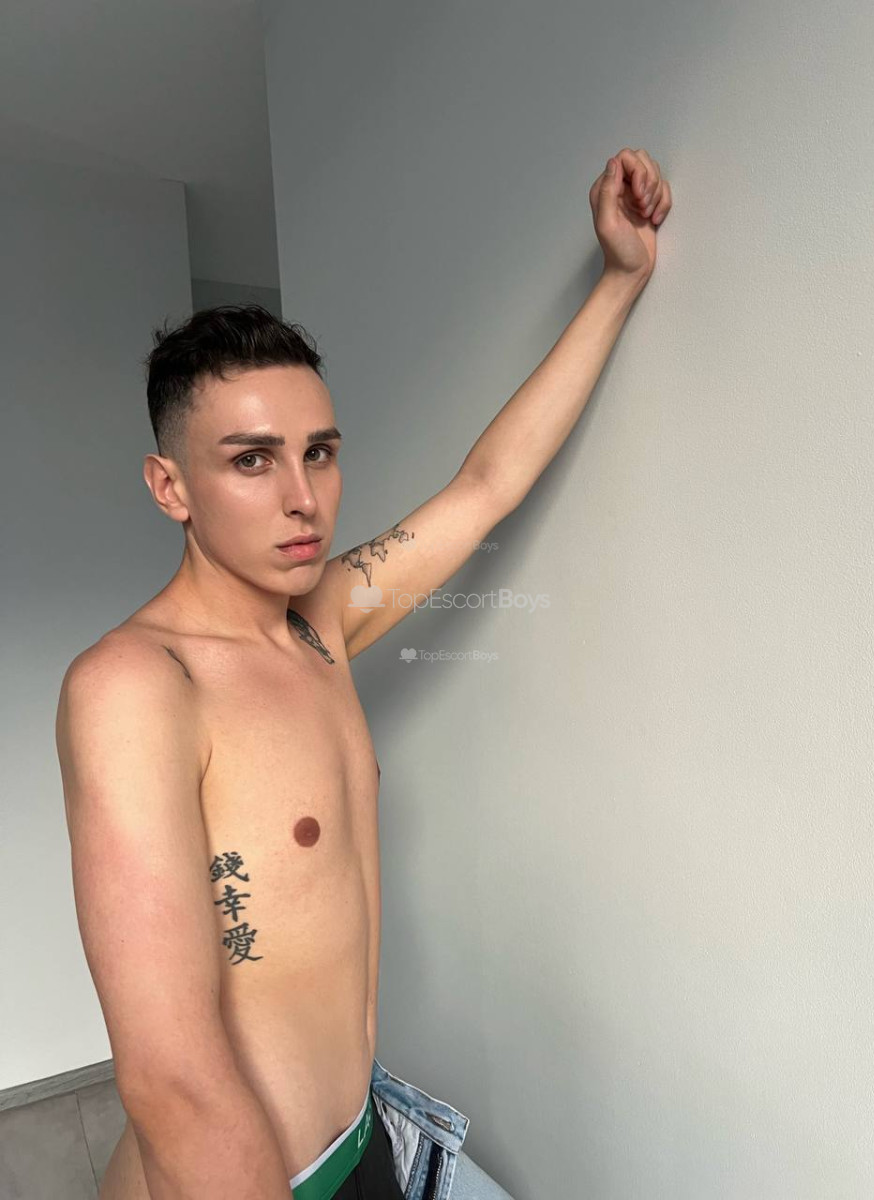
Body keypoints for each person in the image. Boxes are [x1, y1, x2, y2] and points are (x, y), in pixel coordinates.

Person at [55, 148, 670, 1199]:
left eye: (320, 452)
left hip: (360, 1132)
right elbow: (172, 1082)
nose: (303, 497)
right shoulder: (136, 686)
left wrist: (621, 278)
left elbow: (486, 487)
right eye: (251, 460)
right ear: (171, 487)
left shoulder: (323, 623)